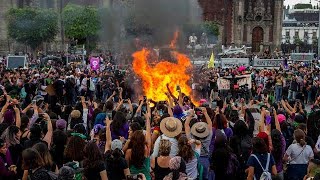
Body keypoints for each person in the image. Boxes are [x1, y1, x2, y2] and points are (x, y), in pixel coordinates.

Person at [125, 105, 152, 180]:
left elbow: (126, 168)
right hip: (146, 178)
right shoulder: (146, 149)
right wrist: (147, 120)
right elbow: (149, 135)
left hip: (133, 178)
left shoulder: (128, 152)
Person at [105, 115, 130, 180]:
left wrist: (108, 126)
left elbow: (108, 140)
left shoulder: (107, 156)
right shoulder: (123, 161)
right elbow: (128, 176)